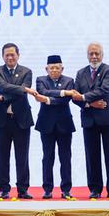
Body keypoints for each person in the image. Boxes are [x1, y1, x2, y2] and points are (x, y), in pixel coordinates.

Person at [69, 42, 109, 199]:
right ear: (87, 55)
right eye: (91, 53)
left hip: (108, 119)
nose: (94, 56)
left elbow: (105, 89)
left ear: (102, 55)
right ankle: (95, 189)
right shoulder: (80, 73)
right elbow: (74, 96)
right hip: (89, 119)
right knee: (92, 156)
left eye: (96, 53)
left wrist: (84, 97)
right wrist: (89, 103)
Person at [0, 43, 36, 199]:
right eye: (7, 55)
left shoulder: (27, 71)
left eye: (12, 55)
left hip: (21, 119)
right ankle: (4, 189)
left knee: (22, 157)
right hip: (2, 120)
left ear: (18, 55)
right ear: (3, 56)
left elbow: (18, 94)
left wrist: (2, 97)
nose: (10, 57)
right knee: (2, 156)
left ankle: (23, 189)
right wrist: (22, 88)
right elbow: (3, 86)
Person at [34, 55, 76, 199]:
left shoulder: (69, 80)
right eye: (51, 68)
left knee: (65, 157)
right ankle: (47, 189)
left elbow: (65, 101)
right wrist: (63, 92)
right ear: (46, 69)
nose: (54, 70)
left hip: (64, 124)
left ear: (62, 68)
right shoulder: (40, 80)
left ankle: (66, 189)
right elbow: (43, 92)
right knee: (47, 157)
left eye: (57, 68)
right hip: (46, 124)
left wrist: (47, 100)